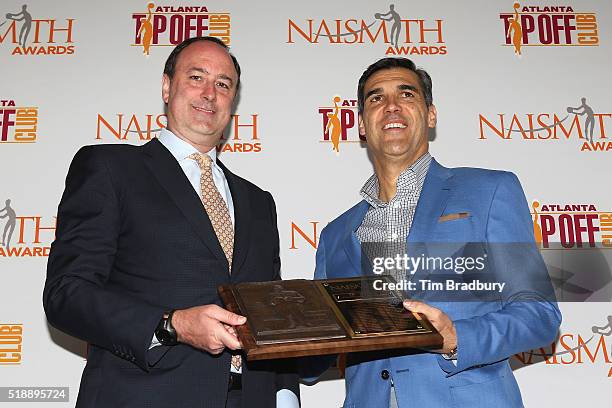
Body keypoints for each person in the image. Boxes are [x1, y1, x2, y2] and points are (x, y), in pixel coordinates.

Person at [44, 36, 299, 408]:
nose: (210, 93)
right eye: (197, 77)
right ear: (167, 86)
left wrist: (285, 393)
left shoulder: (259, 203)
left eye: (224, 84)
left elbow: (270, 311)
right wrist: (172, 324)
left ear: (233, 102)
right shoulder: (110, 169)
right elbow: (67, 294)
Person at [310, 57, 561, 407]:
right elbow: (315, 354)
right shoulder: (336, 235)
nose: (391, 106)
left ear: (430, 115)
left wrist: (457, 337)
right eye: (376, 98)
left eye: (407, 94)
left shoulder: (489, 192)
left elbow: (538, 314)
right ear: (362, 125)